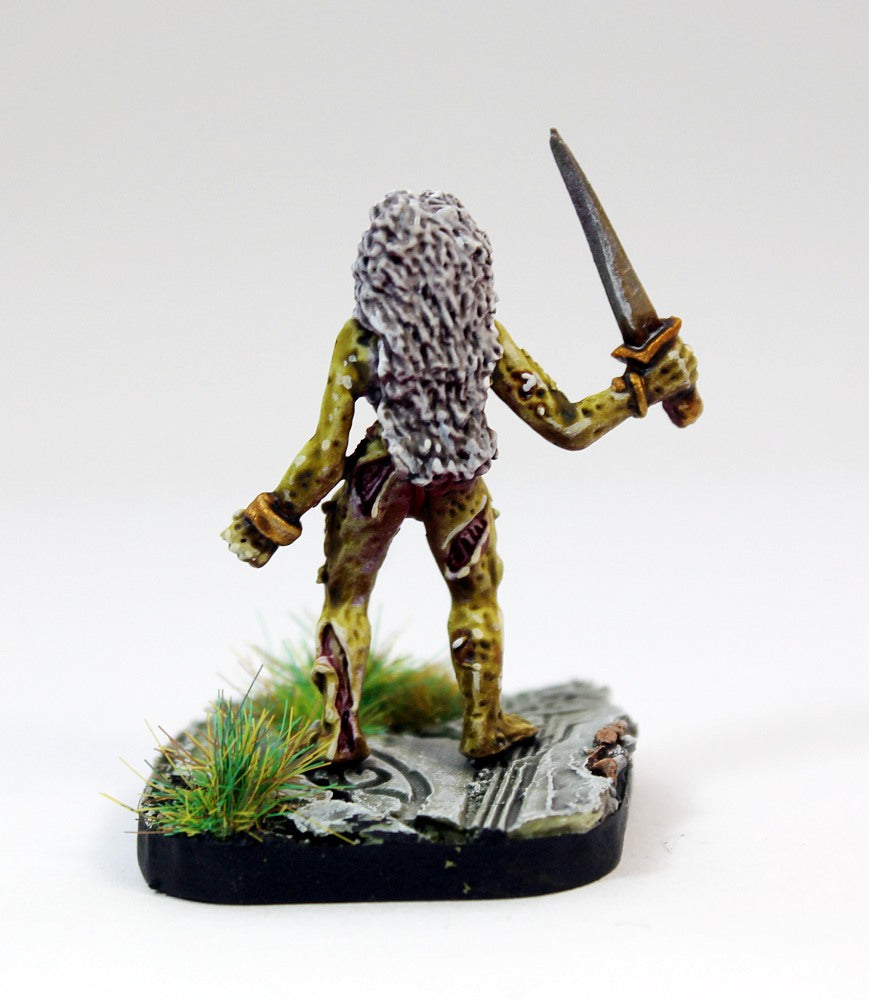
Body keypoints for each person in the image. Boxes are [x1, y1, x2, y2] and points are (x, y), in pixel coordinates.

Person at [223, 190, 698, 764]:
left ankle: (339, 733)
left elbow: (326, 455)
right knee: (475, 596)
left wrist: (273, 517)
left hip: (380, 479)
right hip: (459, 481)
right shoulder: (485, 336)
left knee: (347, 597)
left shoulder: (362, 341)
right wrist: (639, 389)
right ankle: (483, 725)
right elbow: (566, 424)